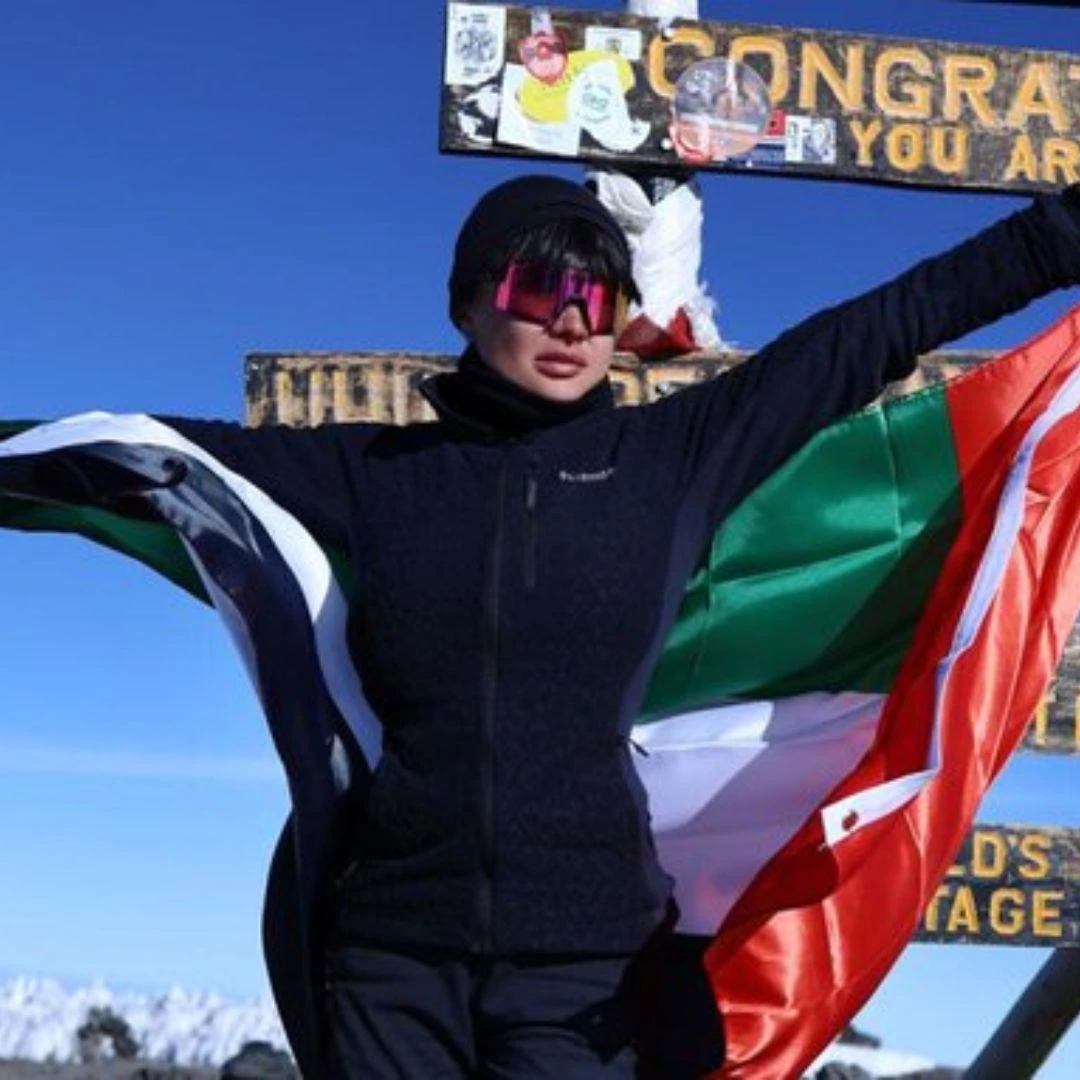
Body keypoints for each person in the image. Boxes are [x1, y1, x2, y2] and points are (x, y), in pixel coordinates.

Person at [3, 174, 1080, 1079]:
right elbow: (129, 455)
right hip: (387, 960)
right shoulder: (370, 477)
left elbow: (881, 328)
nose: (573, 319)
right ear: (471, 305)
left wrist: (1058, 234)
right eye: (540, 286)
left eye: (601, 296)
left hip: (587, 974)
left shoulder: (668, 461)